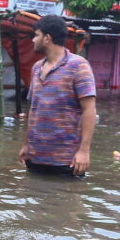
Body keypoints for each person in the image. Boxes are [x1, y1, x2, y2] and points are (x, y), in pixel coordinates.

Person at [19, 14, 96, 177]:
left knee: (66, 200)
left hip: (65, 160)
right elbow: (33, 109)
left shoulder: (78, 65)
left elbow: (89, 110)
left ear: (47, 38)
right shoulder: (36, 68)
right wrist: (26, 145)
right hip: (35, 156)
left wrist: (84, 151)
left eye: (36, 35)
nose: (33, 40)